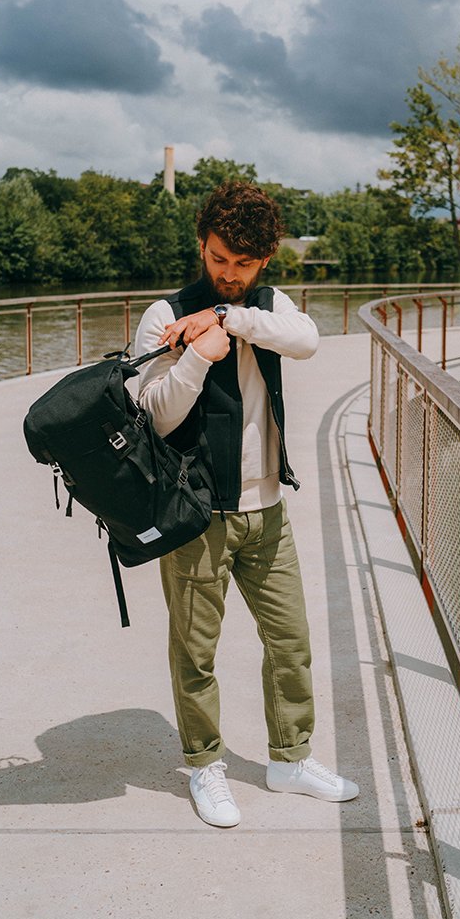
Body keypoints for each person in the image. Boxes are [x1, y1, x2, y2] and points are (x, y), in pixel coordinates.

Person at [132, 180, 358, 827]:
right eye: (217, 259)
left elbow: (308, 338)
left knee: (291, 642)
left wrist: (230, 318)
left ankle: (289, 759)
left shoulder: (266, 305)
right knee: (195, 650)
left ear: (264, 261)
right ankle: (205, 766)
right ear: (201, 245)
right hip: (196, 514)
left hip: (267, 512)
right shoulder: (164, 314)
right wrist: (199, 355)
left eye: (242, 264)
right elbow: (156, 417)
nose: (227, 274)